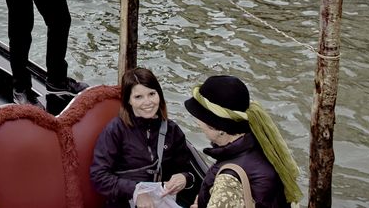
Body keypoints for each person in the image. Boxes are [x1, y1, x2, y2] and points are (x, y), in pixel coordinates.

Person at [184, 75, 301, 208]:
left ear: (217, 127)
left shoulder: (229, 180)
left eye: (199, 117)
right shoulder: (265, 144)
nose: (197, 122)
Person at [90, 67, 199, 208]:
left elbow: (188, 171)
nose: (148, 102)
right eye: (138, 97)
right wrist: (136, 191)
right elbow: (98, 176)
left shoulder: (172, 130)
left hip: (162, 200)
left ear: (159, 95)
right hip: (124, 202)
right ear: (128, 101)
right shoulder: (115, 130)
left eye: (152, 94)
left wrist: (185, 178)